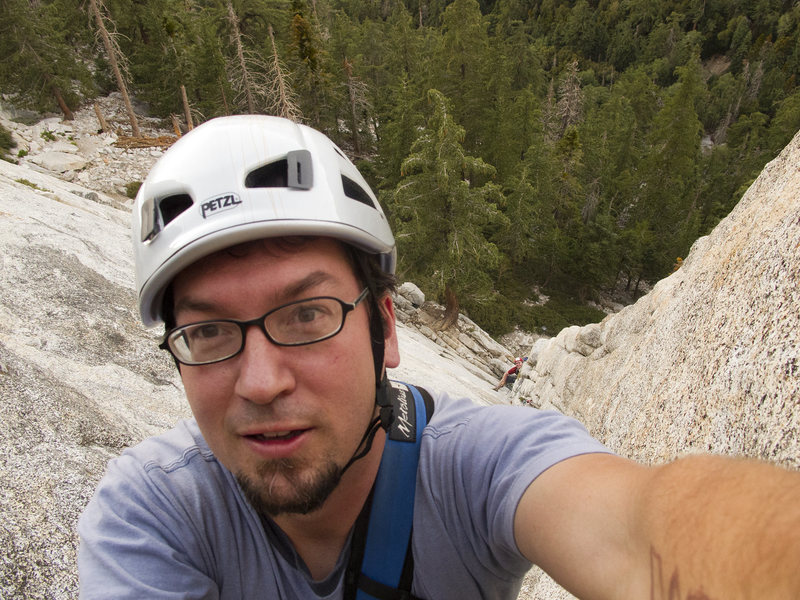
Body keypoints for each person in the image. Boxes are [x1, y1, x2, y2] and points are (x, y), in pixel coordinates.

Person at [78, 115, 800, 599]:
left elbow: (641, 528)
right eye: (208, 334)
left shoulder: (477, 466)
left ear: (384, 328)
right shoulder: (152, 514)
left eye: (306, 315)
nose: (261, 382)